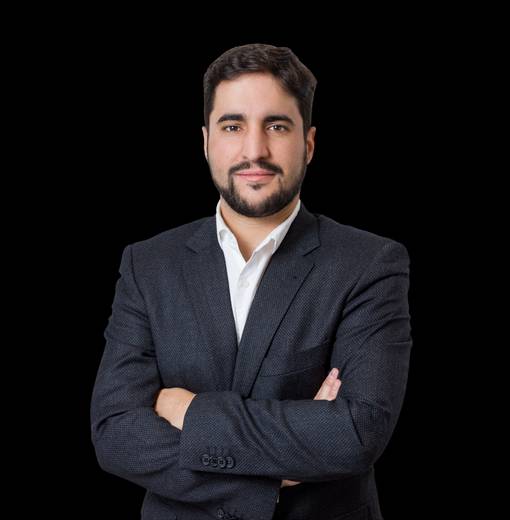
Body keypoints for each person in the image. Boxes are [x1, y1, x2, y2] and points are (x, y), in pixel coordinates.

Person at [91, 43, 412, 520]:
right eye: (233, 126)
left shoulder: (370, 263)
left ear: (308, 143)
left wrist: (189, 412)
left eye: (277, 126)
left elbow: (356, 434)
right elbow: (115, 433)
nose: (254, 150)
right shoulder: (148, 264)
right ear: (206, 142)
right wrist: (276, 470)